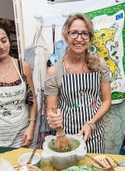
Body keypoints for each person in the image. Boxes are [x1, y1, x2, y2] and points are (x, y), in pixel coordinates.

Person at [44, 13, 111, 153]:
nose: (79, 39)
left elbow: (106, 101)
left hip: (94, 133)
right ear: (66, 35)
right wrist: (53, 120)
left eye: (84, 34)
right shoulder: (54, 71)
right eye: (74, 33)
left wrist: (91, 124)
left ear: (90, 38)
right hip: (67, 136)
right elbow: (51, 109)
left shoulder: (100, 65)